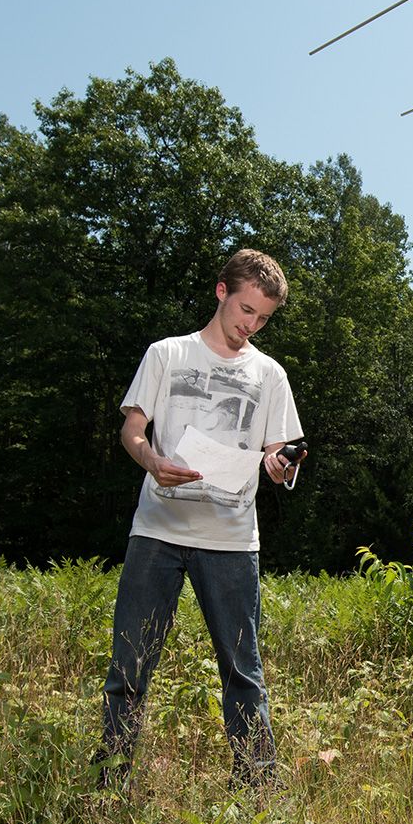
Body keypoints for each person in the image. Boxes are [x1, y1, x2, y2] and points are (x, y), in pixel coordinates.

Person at [102, 248, 304, 791]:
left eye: (263, 318)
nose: (251, 325)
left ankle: (256, 789)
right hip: (158, 532)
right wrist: (151, 461)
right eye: (245, 310)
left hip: (233, 540)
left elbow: (277, 454)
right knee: (130, 666)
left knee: (243, 671)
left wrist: (281, 466)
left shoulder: (270, 374)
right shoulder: (166, 355)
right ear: (221, 291)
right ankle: (110, 787)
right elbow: (132, 430)